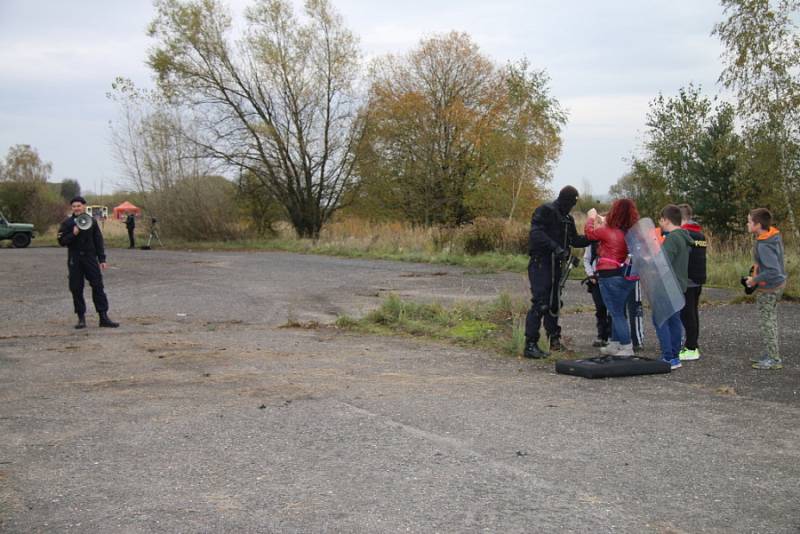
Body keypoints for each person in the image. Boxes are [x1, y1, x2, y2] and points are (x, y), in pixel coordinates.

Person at [523, 186, 591, 358]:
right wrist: (556, 248)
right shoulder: (545, 211)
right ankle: (530, 344)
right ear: (565, 200)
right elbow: (536, 234)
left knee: (554, 304)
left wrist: (593, 238)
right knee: (541, 303)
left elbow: (574, 240)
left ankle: (554, 341)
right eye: (570, 203)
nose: (571, 207)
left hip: (557, 265)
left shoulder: (567, 218)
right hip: (541, 263)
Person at [584, 199, 640, 356]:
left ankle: (627, 347)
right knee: (618, 309)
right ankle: (615, 343)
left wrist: (591, 218)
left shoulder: (607, 231)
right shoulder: (631, 232)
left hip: (609, 275)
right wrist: (603, 220)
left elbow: (589, 234)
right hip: (627, 277)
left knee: (615, 312)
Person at [57, 196, 120, 329]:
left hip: (90, 258)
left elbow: (98, 241)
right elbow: (61, 241)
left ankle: (103, 317)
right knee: (76, 288)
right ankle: (81, 318)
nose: (76, 208)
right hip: (75, 259)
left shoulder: (92, 221)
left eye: (78, 206)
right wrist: (73, 234)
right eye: (74, 206)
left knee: (98, 286)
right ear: (71, 208)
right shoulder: (67, 223)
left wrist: (102, 259)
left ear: (84, 206)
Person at [745, 208, 787, 370]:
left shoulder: (764, 245)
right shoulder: (772, 238)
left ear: (758, 224)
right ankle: (770, 352)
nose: (747, 224)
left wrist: (753, 280)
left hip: (769, 288)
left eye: (749, 221)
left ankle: (774, 359)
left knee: (767, 322)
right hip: (776, 285)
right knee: (770, 320)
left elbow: (772, 270)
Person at [655, 205, 693, 369]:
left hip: (667, 285)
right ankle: (675, 356)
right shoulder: (684, 236)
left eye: (661, 220)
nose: (660, 223)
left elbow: (662, 262)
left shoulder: (672, 238)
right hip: (679, 285)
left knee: (661, 320)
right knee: (675, 321)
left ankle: (668, 356)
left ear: (666, 220)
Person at [677, 204, 707, 361]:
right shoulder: (699, 234)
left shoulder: (685, 234)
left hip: (687, 280)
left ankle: (691, 347)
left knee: (688, 315)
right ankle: (692, 344)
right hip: (698, 279)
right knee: (693, 313)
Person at [583, 241, 611, 347]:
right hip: (596, 279)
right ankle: (601, 335)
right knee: (600, 307)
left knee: (611, 308)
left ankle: (612, 336)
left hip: (610, 278)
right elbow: (586, 260)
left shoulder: (612, 237)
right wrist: (590, 275)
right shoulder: (591, 242)